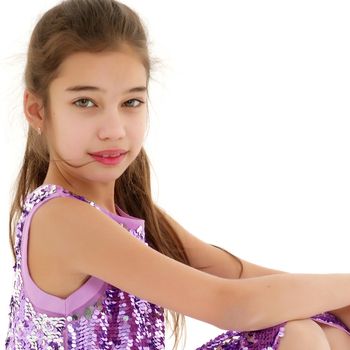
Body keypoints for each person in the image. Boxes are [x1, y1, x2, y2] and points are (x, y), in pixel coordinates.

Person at [4, 0, 350, 349]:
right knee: (300, 334)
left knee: (324, 330)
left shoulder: (125, 210)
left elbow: (239, 275)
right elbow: (231, 304)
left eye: (131, 103)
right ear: (37, 110)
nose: (114, 130)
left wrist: (339, 304)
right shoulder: (60, 217)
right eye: (85, 103)